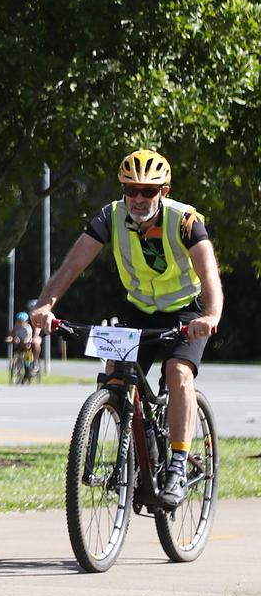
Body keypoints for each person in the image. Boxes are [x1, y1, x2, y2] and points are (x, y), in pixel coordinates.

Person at [30, 149, 223, 507]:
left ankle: (178, 466)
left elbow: (209, 274)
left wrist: (210, 317)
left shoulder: (185, 222)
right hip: (138, 310)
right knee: (114, 377)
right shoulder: (109, 217)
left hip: (186, 313)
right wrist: (46, 304)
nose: (138, 198)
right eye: (130, 189)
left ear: (163, 192)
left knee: (178, 371)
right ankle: (132, 457)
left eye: (148, 191)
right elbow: (72, 266)